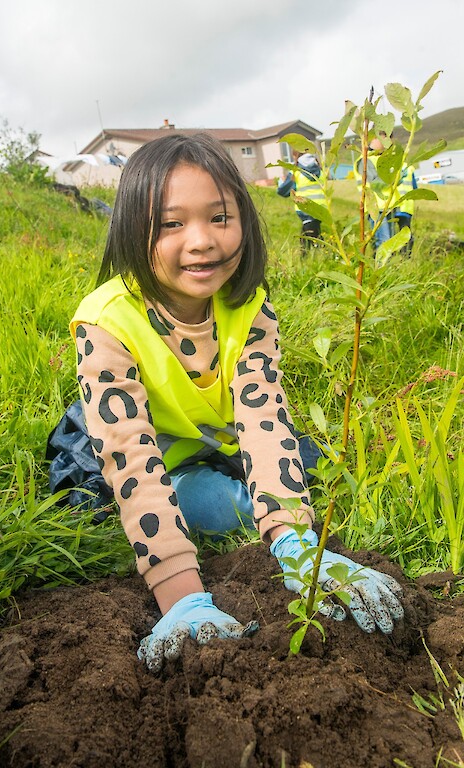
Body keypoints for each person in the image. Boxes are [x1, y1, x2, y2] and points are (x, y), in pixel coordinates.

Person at [71, 133, 404, 672]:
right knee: (212, 507)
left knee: (298, 472)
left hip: (228, 437)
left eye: (220, 218)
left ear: (246, 222)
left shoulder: (250, 308)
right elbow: (133, 461)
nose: (201, 241)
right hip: (165, 455)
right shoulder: (106, 321)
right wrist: (180, 598)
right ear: (130, 229)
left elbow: (265, 420)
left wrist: (299, 548)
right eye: (171, 224)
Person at [277, 150, 327, 255]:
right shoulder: (320, 170)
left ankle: (319, 257)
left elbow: (283, 191)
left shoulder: (296, 172)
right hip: (321, 209)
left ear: (296, 156)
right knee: (310, 235)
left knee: (310, 240)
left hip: (305, 209)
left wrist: (281, 182)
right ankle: (318, 256)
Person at [353, 137, 394, 252]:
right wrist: (393, 177)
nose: (389, 143)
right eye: (387, 139)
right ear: (375, 138)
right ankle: (381, 267)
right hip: (375, 208)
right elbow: (374, 183)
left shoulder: (382, 158)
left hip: (387, 206)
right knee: (383, 242)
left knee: (389, 243)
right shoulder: (366, 160)